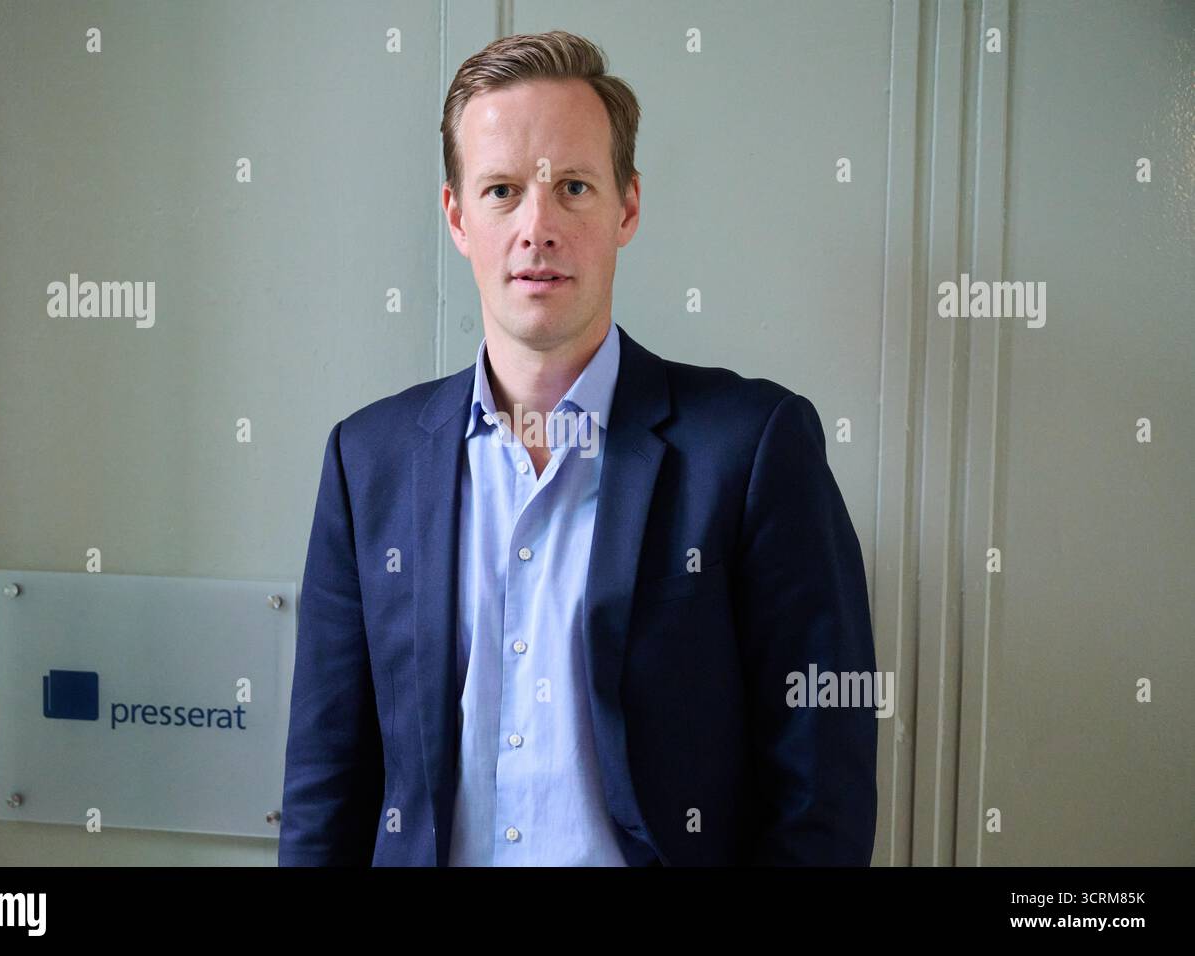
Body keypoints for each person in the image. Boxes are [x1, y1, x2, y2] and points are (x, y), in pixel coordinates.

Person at [278, 30, 878, 867]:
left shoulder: (752, 447)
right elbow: (324, 780)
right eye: (501, 190)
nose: (537, 227)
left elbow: (821, 784)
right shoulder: (366, 460)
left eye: (573, 187)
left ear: (626, 207)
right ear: (457, 216)